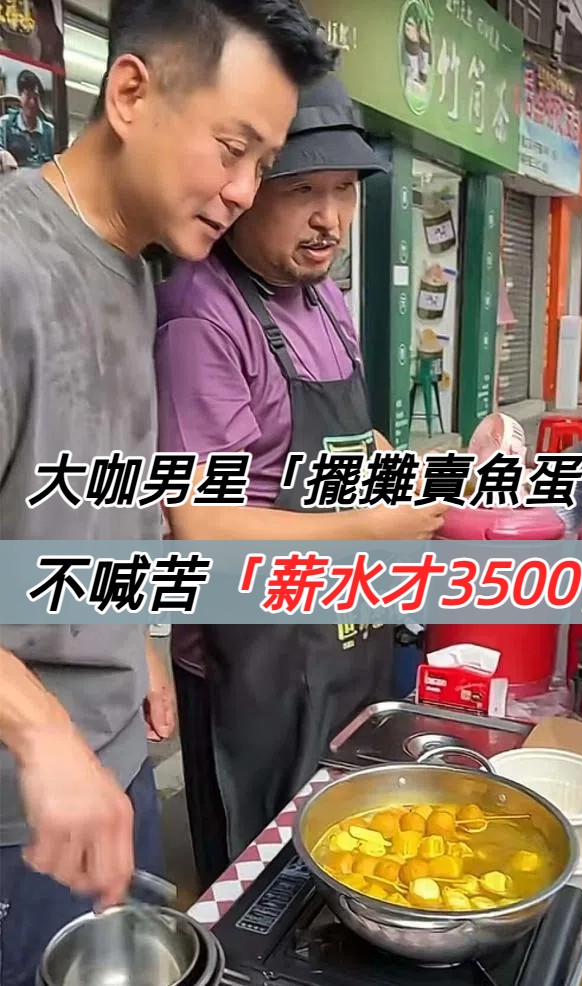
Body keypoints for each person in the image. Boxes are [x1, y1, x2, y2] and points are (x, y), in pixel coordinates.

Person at [0, 0, 334, 980]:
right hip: (24, 807)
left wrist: (137, 637)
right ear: (132, 93)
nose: (243, 191)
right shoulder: (12, 266)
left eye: (263, 163)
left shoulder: (137, 271)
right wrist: (42, 732)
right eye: (232, 148)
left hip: (111, 769)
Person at [155, 74, 450, 890]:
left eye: (345, 190)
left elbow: (354, 442)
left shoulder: (325, 299)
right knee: (260, 886)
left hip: (344, 632)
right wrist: (375, 530)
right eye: (302, 191)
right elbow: (203, 525)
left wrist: (425, 479)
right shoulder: (201, 315)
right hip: (254, 665)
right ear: (246, 190)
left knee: (356, 850)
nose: (331, 218)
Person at [0, 69, 55, 168]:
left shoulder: (50, 131)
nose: (32, 102)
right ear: (20, 96)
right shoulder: (5, 124)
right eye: (28, 96)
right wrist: (3, 153)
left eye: (36, 97)